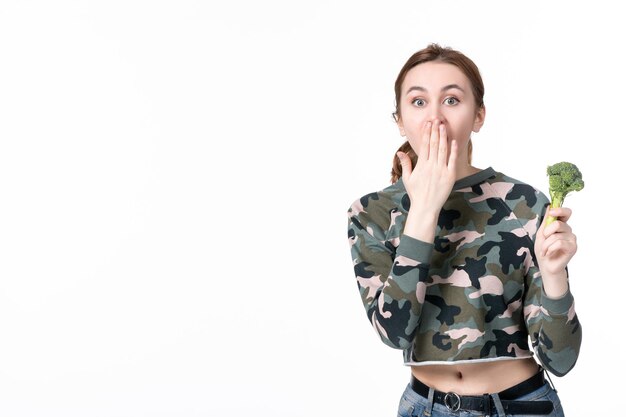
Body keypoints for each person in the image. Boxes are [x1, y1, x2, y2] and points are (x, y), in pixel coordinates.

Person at [346, 43, 581, 417]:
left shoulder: (524, 202)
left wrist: (554, 278)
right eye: (419, 102)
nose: (435, 118)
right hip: (426, 408)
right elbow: (394, 332)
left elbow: (562, 359)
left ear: (479, 116)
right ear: (400, 120)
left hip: (522, 406)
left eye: (452, 100)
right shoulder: (372, 212)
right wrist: (423, 209)